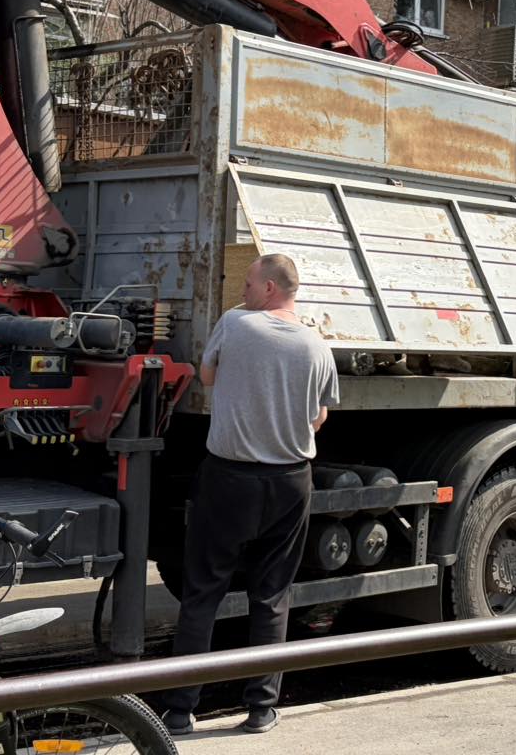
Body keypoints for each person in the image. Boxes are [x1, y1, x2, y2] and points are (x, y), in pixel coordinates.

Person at [161, 254, 339, 737]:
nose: (242, 290)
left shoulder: (236, 323)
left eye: (248, 283)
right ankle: (261, 708)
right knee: (272, 595)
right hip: (290, 481)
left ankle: (179, 711)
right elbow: (319, 417)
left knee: (203, 592)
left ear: (269, 288)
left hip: (229, 479)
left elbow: (207, 378)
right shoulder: (317, 344)